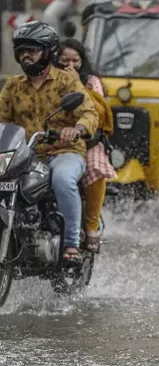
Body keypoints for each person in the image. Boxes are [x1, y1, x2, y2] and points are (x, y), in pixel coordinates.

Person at [0, 21, 98, 262]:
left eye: (32, 50)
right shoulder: (12, 85)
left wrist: (76, 129)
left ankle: (71, 244)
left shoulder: (66, 81)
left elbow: (90, 113)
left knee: (63, 180)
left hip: (64, 151)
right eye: (22, 51)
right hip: (24, 154)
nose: (26, 56)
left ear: (48, 52)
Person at [57, 38, 117, 252]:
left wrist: (77, 85)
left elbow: (97, 113)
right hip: (55, 141)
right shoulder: (49, 80)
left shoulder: (91, 81)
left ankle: (91, 227)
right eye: (65, 61)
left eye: (75, 61)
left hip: (89, 142)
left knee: (95, 168)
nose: (70, 65)